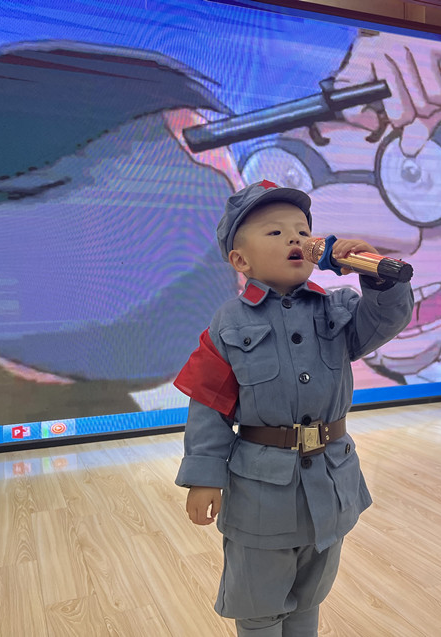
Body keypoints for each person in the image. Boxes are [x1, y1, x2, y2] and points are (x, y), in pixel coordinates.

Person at [173, 180, 414, 636]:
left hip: (330, 483)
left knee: (310, 596)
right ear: (241, 261)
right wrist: (204, 477)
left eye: (303, 231)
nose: (296, 239)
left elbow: (386, 319)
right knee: (259, 604)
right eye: (276, 232)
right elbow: (209, 404)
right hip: (263, 494)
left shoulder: (337, 309)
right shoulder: (229, 322)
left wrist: (377, 278)